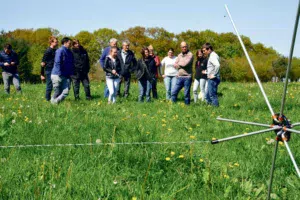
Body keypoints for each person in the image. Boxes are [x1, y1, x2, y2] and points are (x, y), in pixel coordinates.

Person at [51, 37, 74, 104]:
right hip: (57, 74)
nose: (70, 45)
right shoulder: (60, 51)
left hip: (66, 75)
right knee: (57, 91)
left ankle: (55, 102)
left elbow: (71, 63)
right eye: (69, 43)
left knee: (66, 92)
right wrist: (59, 73)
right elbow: (57, 62)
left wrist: (71, 73)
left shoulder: (69, 52)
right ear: (65, 43)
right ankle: (53, 103)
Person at [41, 36, 58, 101]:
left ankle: (55, 98)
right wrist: (42, 74)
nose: (57, 43)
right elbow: (42, 63)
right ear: (51, 42)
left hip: (55, 70)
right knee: (49, 86)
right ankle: (47, 100)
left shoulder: (56, 50)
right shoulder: (48, 51)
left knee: (57, 85)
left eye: (57, 42)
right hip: (49, 70)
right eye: (56, 42)